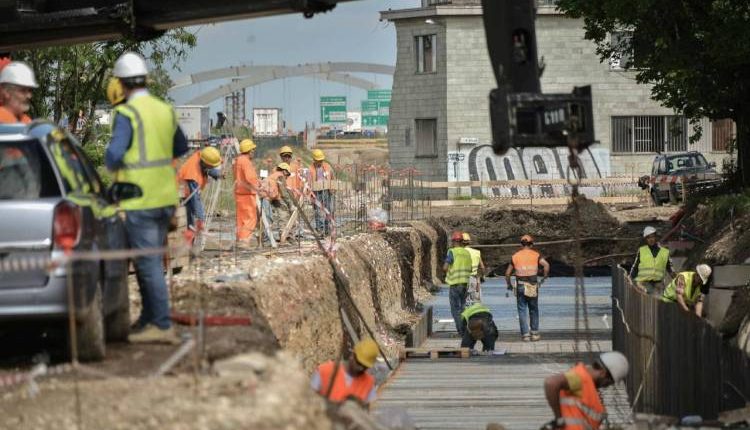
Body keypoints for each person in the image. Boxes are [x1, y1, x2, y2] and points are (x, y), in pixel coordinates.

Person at [105, 51, 189, 344]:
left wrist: (117, 166)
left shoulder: (126, 113)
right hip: (166, 198)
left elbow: (114, 155)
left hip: (139, 200)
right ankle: (148, 319)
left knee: (148, 263)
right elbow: (181, 146)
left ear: (122, 83)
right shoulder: (163, 109)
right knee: (147, 261)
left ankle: (162, 324)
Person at [543, 351, 629, 430]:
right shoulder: (581, 377)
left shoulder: (588, 385)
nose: (606, 386)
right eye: (609, 382)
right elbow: (551, 383)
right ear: (603, 373)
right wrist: (559, 419)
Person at [505, 234, 550, 342]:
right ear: (532, 244)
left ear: (521, 244)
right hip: (532, 285)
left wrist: (509, 285)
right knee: (533, 309)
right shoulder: (536, 255)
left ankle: (525, 335)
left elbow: (507, 273)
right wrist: (544, 277)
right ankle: (534, 334)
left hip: (520, 284)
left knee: (522, 310)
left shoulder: (515, 256)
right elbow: (546, 265)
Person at [311, 338, 379, 407]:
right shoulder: (324, 371)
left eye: (365, 366)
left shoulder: (368, 382)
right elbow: (308, 400)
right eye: (359, 363)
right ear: (352, 355)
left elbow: (369, 410)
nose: (361, 368)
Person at [177, 147, 222, 244]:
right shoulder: (193, 176)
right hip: (182, 197)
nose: (212, 167)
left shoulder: (201, 156)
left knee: (191, 223)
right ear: (206, 162)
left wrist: (217, 174)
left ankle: (189, 247)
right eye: (211, 166)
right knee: (190, 223)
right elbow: (195, 200)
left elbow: (207, 168)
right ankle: (188, 249)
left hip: (187, 195)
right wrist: (201, 220)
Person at [629, 226, 675, 295]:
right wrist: (630, 278)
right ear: (645, 239)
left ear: (656, 237)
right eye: (648, 237)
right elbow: (635, 267)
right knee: (647, 295)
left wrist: (677, 279)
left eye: (652, 237)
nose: (651, 239)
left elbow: (670, 268)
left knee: (659, 298)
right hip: (643, 283)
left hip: (658, 284)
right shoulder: (642, 251)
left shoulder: (665, 252)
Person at [444, 231, 473, 335]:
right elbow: (470, 268)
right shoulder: (467, 253)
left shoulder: (452, 252)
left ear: (453, 241)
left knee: (455, 309)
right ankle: (465, 328)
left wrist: (446, 270)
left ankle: (461, 331)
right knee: (463, 308)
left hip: (455, 283)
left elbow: (446, 267)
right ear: (462, 241)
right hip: (465, 283)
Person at [234, 139, 260, 242]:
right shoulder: (246, 162)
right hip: (247, 194)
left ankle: (240, 239)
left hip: (239, 194)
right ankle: (244, 241)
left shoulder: (238, 160)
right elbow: (250, 179)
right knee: (250, 219)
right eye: (253, 150)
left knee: (241, 220)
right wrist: (259, 187)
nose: (253, 152)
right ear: (250, 150)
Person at [308, 148, 335, 235]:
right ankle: (320, 229)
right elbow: (308, 182)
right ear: (314, 160)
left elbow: (332, 177)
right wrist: (310, 194)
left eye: (321, 160)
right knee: (318, 211)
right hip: (316, 192)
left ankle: (327, 229)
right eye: (318, 160)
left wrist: (332, 188)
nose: (320, 162)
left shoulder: (327, 166)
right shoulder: (311, 169)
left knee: (328, 210)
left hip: (326, 190)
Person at [260, 162, 292, 234]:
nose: (287, 176)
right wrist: (290, 205)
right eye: (288, 174)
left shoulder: (274, 175)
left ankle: (282, 234)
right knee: (268, 219)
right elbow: (284, 193)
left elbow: (277, 193)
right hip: (266, 198)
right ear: (284, 171)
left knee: (282, 212)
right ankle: (266, 239)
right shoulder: (280, 176)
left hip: (271, 197)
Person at [463, 233, 485, 301]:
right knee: (475, 301)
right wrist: (482, 277)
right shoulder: (476, 252)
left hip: (461, 280)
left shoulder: (457, 253)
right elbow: (482, 267)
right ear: (469, 242)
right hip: (473, 279)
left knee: (462, 302)